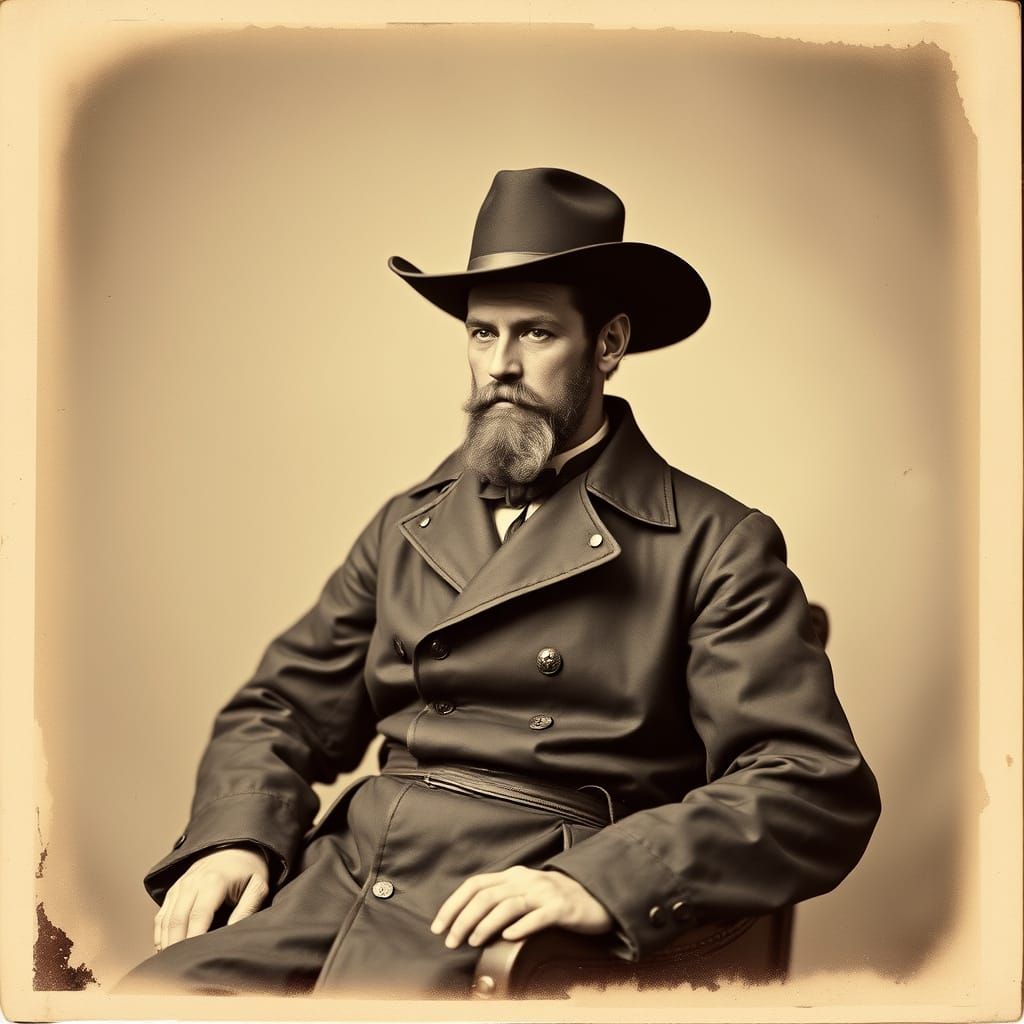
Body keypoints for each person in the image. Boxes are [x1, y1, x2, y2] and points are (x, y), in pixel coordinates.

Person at [115, 167, 881, 998]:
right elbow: (281, 706)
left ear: (609, 345)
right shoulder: (408, 523)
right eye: (483, 333)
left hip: (520, 902)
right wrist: (238, 836)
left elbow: (810, 783)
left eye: (537, 333)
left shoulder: (715, 542)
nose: (502, 366)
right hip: (346, 874)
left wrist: (602, 881)